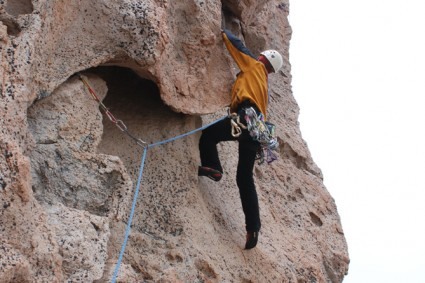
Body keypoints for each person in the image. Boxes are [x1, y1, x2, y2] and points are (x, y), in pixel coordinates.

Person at [198, 29, 283, 249]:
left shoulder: (255, 66)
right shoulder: (264, 85)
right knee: (244, 178)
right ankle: (252, 229)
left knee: (208, 135)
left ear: (263, 58)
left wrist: (221, 31)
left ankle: (212, 167)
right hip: (258, 129)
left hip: (245, 117)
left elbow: (238, 47)